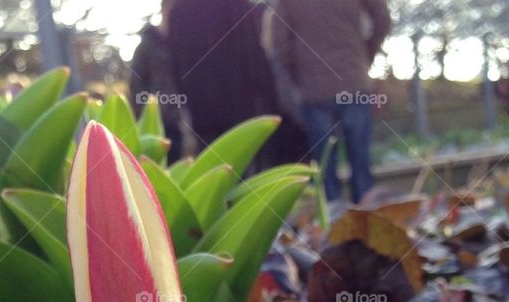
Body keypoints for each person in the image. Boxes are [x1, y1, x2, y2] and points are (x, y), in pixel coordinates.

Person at [269, 0, 391, 203]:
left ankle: (332, 217)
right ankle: (367, 215)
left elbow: (279, 44)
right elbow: (383, 19)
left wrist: (298, 73)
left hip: (314, 88)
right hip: (353, 82)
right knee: (361, 164)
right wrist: (364, 54)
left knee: (325, 170)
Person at [167, 0, 278, 150]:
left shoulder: (179, 10)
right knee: (241, 155)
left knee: (211, 158)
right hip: (238, 103)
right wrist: (267, 95)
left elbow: (175, 66)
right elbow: (253, 55)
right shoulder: (237, 5)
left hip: (202, 107)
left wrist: (185, 99)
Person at [130, 0, 184, 162]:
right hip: (153, 122)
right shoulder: (147, 45)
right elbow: (136, 83)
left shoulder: (180, 43)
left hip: (176, 121)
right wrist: (147, 110)